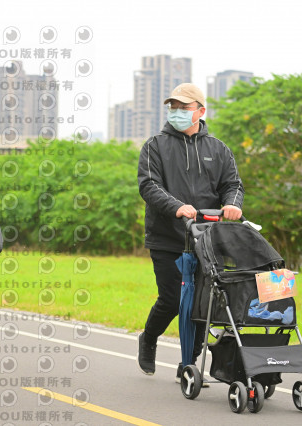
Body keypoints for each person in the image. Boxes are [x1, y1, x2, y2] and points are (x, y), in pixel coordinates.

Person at [136, 83, 244, 380]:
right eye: (173, 107)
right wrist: (177, 206)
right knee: (172, 299)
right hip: (166, 236)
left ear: (200, 111)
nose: (177, 112)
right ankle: (149, 338)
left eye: (184, 107)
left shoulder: (218, 149)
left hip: (206, 239)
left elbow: (233, 185)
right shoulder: (154, 145)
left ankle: (189, 364)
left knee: (201, 304)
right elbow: (149, 185)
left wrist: (232, 205)